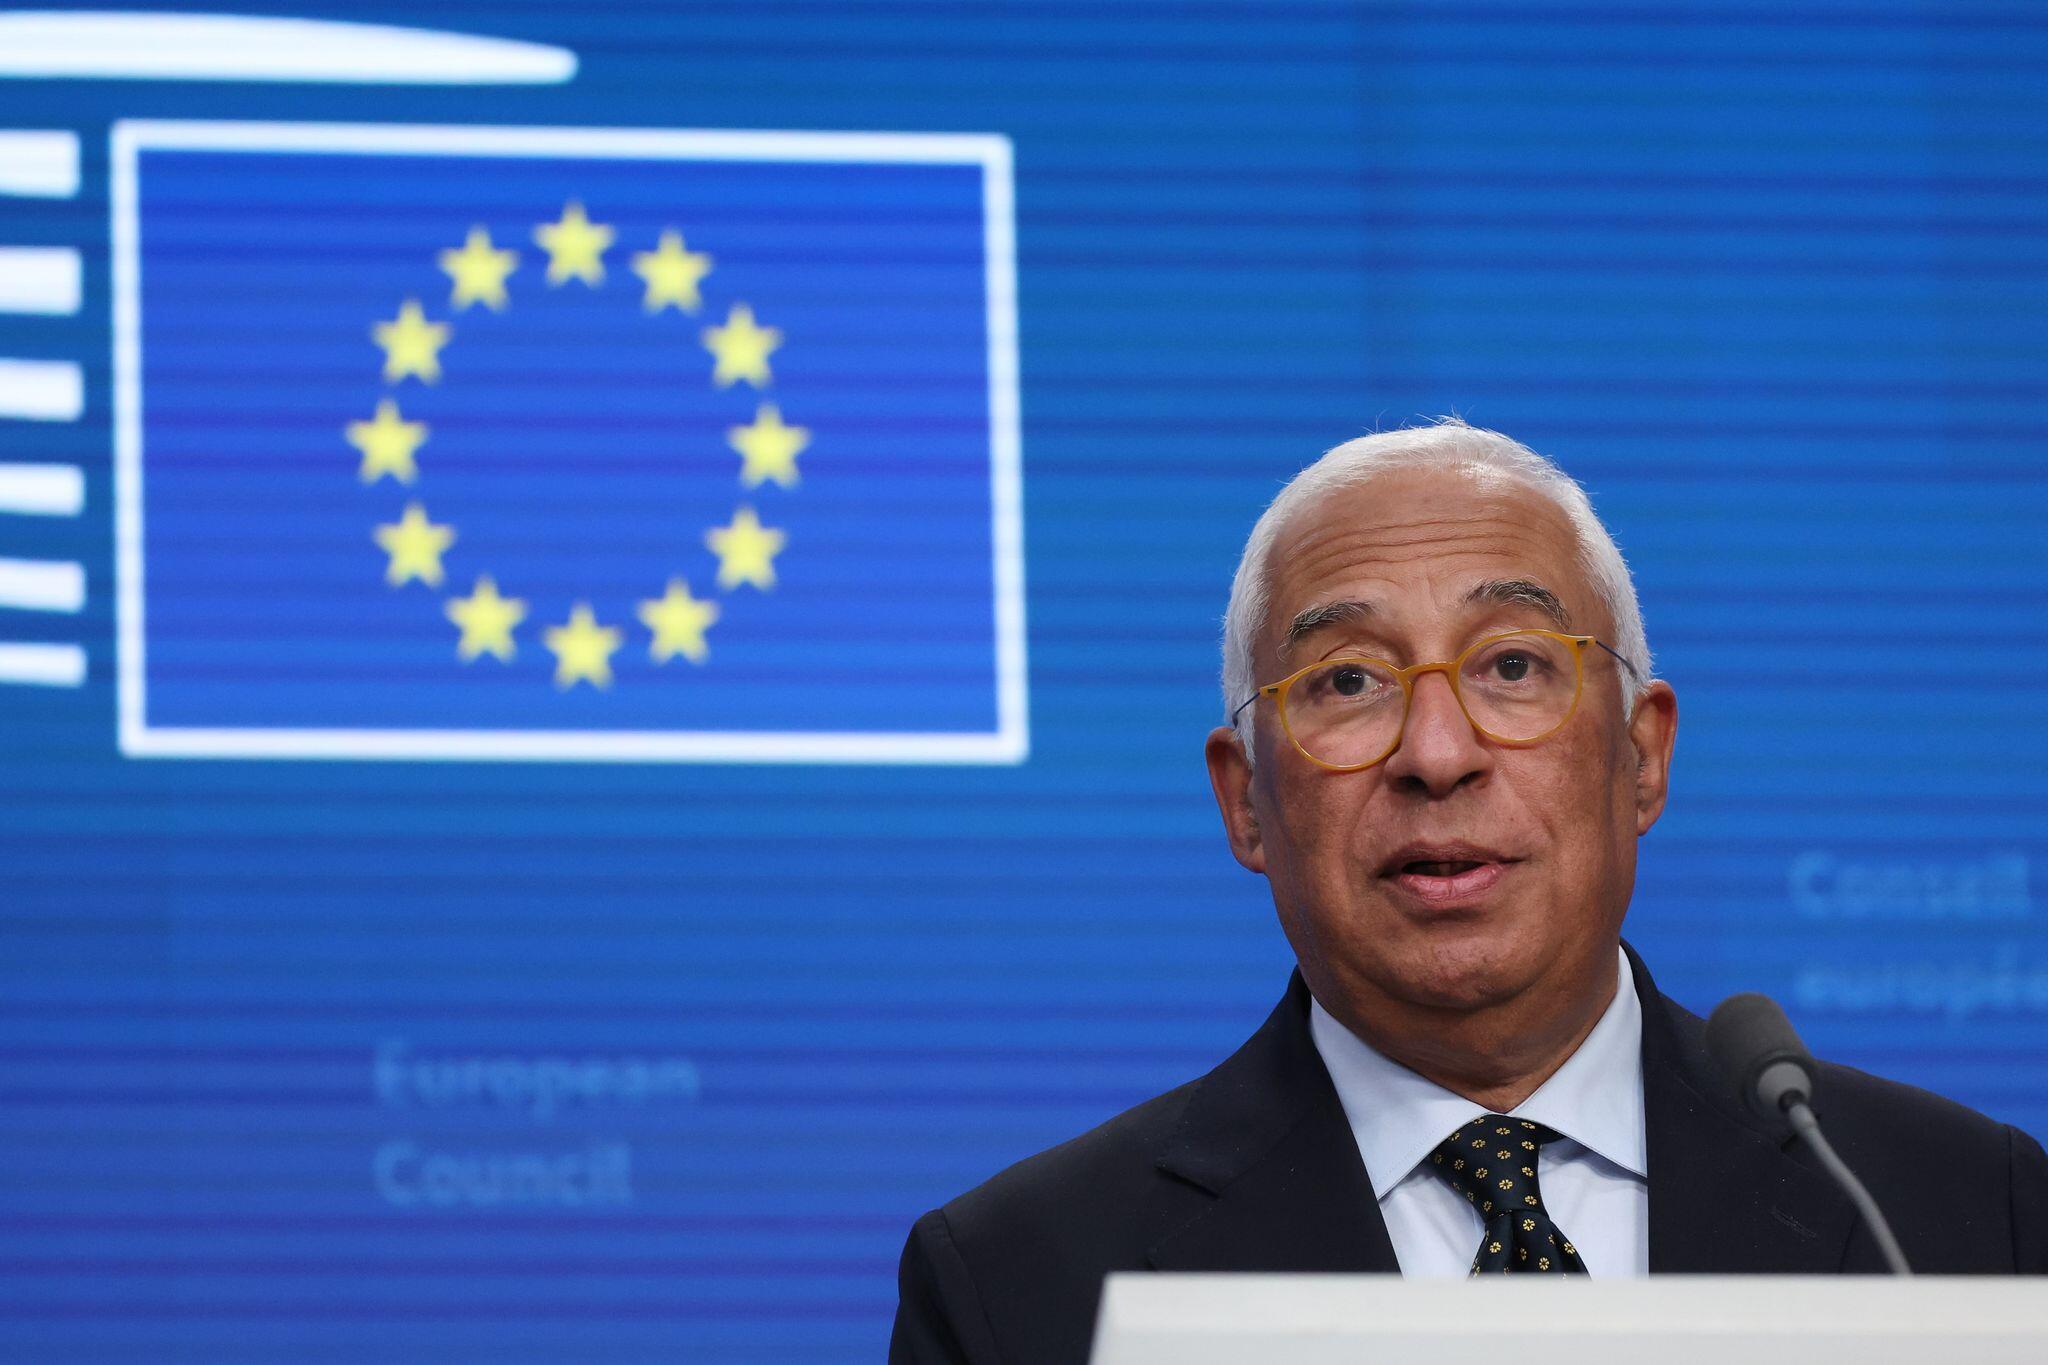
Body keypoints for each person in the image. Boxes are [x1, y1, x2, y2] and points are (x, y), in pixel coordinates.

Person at [888, 420, 2048, 1364]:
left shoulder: (1962, 1210)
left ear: (1640, 757)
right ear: (1244, 802)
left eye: (1511, 665)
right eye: (1348, 680)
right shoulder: (1020, 1287)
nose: (1435, 754)